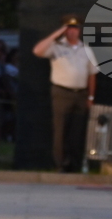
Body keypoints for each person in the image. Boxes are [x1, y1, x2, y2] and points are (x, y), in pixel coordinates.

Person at [33, 16, 99, 172]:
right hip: (62, 92)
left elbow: (92, 74)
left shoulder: (86, 49)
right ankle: (60, 164)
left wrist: (91, 97)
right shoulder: (56, 47)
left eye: (75, 28)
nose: (72, 31)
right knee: (60, 130)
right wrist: (57, 34)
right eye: (69, 28)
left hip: (81, 93)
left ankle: (75, 164)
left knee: (77, 130)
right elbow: (37, 51)